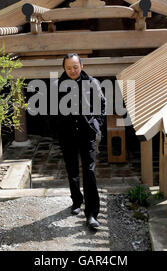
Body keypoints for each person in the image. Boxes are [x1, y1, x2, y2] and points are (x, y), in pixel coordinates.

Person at [54, 53, 105, 229]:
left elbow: (101, 104)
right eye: (69, 68)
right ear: (64, 68)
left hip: (87, 134)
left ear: (81, 65)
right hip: (67, 135)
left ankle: (91, 214)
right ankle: (76, 200)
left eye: (75, 67)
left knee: (89, 172)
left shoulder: (92, 83)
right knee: (72, 169)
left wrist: (96, 124)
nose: (72, 70)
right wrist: (57, 130)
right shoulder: (57, 85)